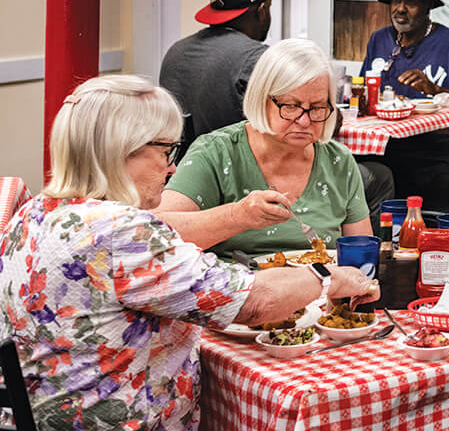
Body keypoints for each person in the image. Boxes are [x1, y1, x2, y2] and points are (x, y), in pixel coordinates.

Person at [0, 74, 375, 430]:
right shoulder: (122, 232)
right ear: (121, 152)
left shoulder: (31, 212)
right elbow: (257, 302)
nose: (172, 165)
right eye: (165, 150)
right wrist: (329, 277)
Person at [156, 39, 374, 260]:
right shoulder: (216, 154)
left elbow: (361, 257)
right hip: (239, 290)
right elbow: (155, 232)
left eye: (317, 108)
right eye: (291, 106)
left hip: (323, 290)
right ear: (261, 99)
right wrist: (237, 216)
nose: (305, 121)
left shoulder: (338, 162)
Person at [359, 0, 449, 205]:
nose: (400, 9)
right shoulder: (380, 40)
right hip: (389, 148)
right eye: (396, 0)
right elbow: (363, 94)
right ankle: (377, 238)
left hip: (442, 149)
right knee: (357, 171)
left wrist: (437, 90)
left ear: (428, 7)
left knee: (436, 180)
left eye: (411, 2)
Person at [159, 0, 271, 148]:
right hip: (234, 172)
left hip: (180, 171)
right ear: (262, 10)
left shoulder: (175, 53)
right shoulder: (257, 58)